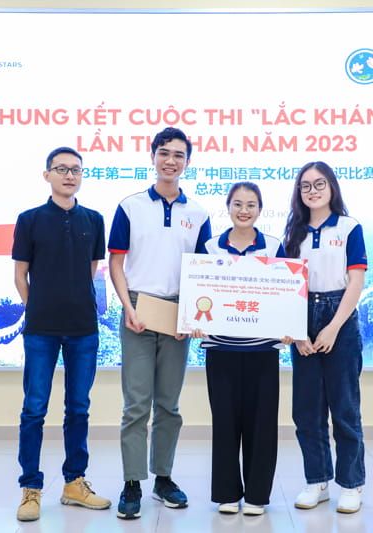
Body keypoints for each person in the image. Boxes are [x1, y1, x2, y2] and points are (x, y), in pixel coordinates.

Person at [107, 127, 211, 520]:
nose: (171, 160)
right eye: (164, 153)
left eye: (178, 155)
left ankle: (163, 478)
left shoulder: (198, 214)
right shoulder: (130, 207)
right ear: (152, 156)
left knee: (169, 404)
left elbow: (202, 270)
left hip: (178, 313)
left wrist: (191, 315)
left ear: (188, 162)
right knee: (136, 404)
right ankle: (132, 482)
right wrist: (127, 307)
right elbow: (116, 262)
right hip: (137, 308)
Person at [12, 146, 111, 521]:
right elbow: (20, 275)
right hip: (41, 330)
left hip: (83, 329)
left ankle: (74, 483)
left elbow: (91, 269)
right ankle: (30, 488)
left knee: (79, 408)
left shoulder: (94, 219)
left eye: (76, 170)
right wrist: (38, 307)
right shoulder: (30, 220)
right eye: (62, 169)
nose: (70, 175)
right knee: (34, 409)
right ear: (47, 175)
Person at [190, 182, 291, 516]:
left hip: (263, 351)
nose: (244, 211)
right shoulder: (210, 247)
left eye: (251, 205)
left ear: (260, 209)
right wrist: (193, 320)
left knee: (262, 425)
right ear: (228, 207)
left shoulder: (274, 246)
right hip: (221, 350)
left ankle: (257, 496)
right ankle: (227, 494)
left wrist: (289, 326)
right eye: (237, 204)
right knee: (225, 423)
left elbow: (288, 292)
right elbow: (198, 291)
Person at [283, 161, 367, 514]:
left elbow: (356, 281)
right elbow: (285, 284)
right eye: (305, 185)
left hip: (339, 316)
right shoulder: (293, 232)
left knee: (344, 408)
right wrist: (297, 332)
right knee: (307, 410)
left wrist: (333, 327)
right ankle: (316, 481)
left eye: (319, 184)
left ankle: (351, 484)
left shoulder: (349, 227)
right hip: (302, 316)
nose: (312, 191)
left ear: (332, 186)